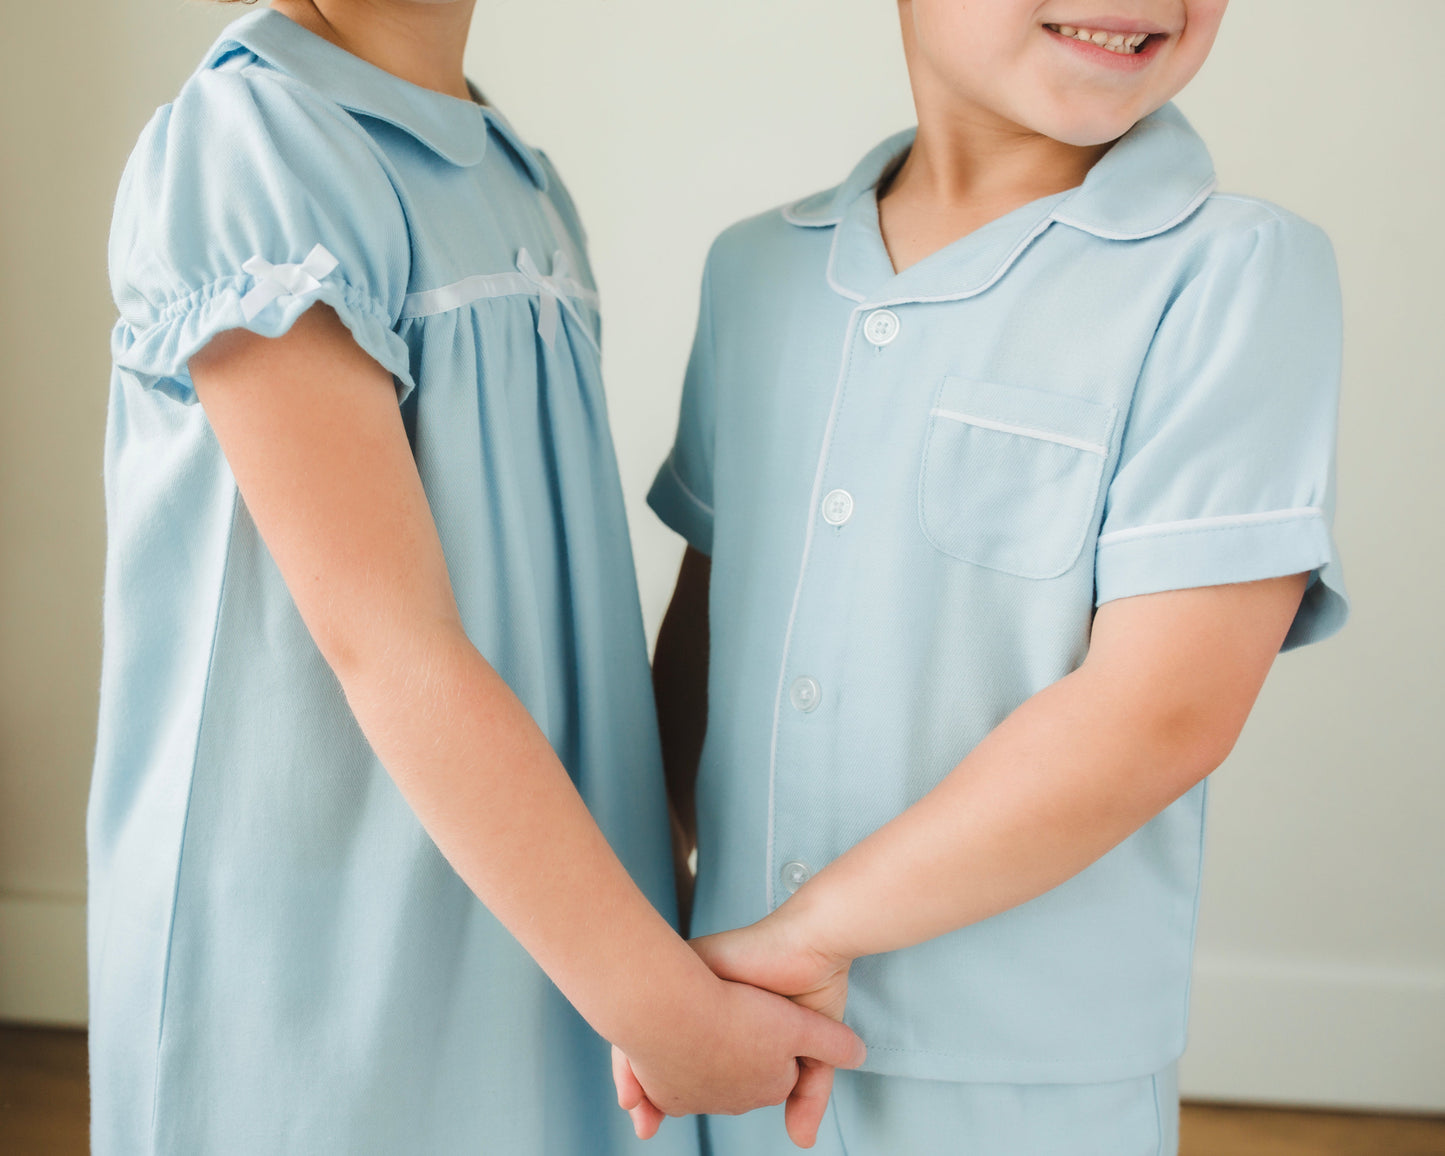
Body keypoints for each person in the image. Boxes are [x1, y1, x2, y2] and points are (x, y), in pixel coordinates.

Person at [92, 2, 864, 1152]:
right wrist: (656, 1003)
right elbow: (385, 639)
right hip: (324, 942)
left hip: (533, 899)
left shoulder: (518, 177)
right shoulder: (256, 143)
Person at [620, 0, 1347, 1151]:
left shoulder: (1234, 272)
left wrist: (814, 934)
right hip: (735, 1040)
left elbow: (1162, 711)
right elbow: (706, 630)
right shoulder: (757, 271)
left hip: (1029, 1077)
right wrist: (640, 932)